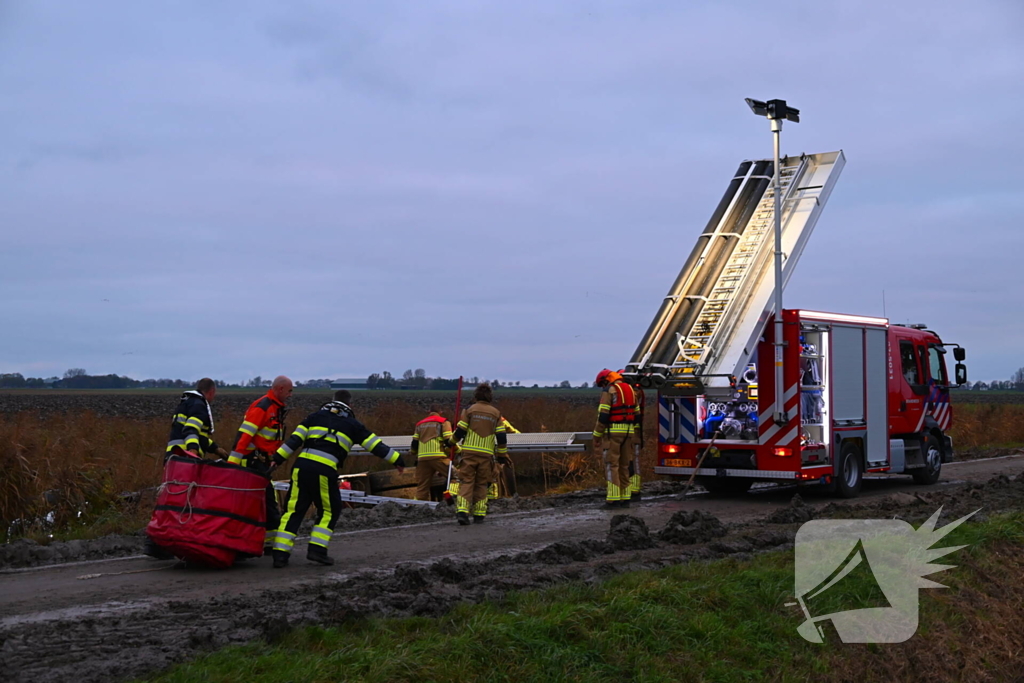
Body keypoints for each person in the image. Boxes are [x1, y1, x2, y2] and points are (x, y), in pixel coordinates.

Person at [268, 390, 406, 568]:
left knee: (293, 510)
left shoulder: (313, 417)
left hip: (301, 468)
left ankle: (280, 554)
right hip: (324, 470)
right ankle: (317, 550)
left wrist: (276, 461)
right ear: (350, 405)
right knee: (329, 510)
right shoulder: (353, 425)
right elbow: (375, 446)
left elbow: (293, 441)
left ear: (331, 402)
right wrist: (397, 460)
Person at [145, 377, 226, 559]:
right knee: (181, 503)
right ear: (211, 392)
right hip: (184, 462)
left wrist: (216, 449)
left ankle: (157, 544)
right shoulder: (199, 406)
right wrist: (193, 454)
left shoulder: (188, 403)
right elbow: (191, 432)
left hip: (174, 459)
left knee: (169, 501)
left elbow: (197, 435)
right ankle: (161, 544)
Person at [228, 375, 293, 552]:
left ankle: (266, 543)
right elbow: (244, 436)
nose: (291, 395)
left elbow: (270, 440)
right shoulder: (263, 407)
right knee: (265, 502)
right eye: (289, 391)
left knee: (264, 503)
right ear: (280, 389)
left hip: (262, 463)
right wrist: (232, 465)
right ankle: (263, 544)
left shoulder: (275, 408)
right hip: (251, 463)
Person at [449, 383, 507, 525]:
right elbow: (501, 437)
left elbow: (460, 431)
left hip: (469, 453)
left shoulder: (470, 410)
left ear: (476, 396)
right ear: (490, 397)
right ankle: (479, 514)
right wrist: (501, 457)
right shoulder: (496, 413)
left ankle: (462, 511)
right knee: (482, 483)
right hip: (486, 454)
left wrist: (450, 442)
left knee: (466, 481)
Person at [593, 369, 641, 508]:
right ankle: (626, 498)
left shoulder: (610, 390)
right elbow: (637, 415)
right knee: (624, 465)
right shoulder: (631, 390)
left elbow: (603, 416)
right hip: (629, 433)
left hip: (613, 433)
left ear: (606, 380)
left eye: (603, 384)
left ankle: (613, 499)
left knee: (611, 464)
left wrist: (597, 435)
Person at [410, 406, 454, 501]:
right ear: (441, 412)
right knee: (456, 476)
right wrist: (457, 450)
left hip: (422, 459)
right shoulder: (443, 422)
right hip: (438, 456)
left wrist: (413, 453)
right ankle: (454, 501)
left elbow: (414, 444)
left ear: (429, 411)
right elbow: (448, 440)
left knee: (422, 486)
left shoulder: (420, 424)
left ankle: (417, 507)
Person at [620, 369, 644, 500]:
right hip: (631, 432)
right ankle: (633, 488)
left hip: (633, 432)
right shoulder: (634, 391)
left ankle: (634, 489)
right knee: (631, 461)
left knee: (633, 462)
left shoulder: (634, 392)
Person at [489, 417, 520, 500]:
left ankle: (500, 497)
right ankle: (511, 496)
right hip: (497, 453)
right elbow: (516, 434)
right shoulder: (498, 417)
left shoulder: (470, 417)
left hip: (483, 454)